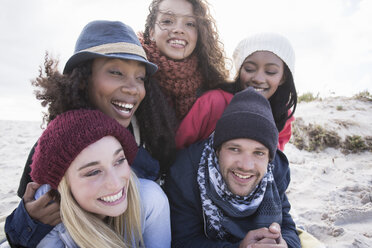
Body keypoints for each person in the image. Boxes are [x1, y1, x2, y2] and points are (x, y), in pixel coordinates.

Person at [5, 20, 175, 247]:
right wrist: (30, 220)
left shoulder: (150, 137)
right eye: (116, 72)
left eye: (140, 78)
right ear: (83, 79)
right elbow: (18, 234)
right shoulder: (53, 147)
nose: (133, 88)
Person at [165, 87, 301, 247]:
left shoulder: (275, 171)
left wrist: (283, 244)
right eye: (235, 149)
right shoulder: (186, 173)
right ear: (218, 150)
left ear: (269, 158)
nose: (245, 165)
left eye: (258, 153)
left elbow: (288, 228)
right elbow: (183, 241)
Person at [16, 109, 170, 247]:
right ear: (63, 185)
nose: (116, 183)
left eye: (119, 161)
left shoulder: (150, 199)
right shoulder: (47, 220)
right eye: (93, 172)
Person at [175, 32, 297, 151]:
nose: (258, 79)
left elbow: (274, 163)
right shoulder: (214, 102)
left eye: (270, 71)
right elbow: (179, 147)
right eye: (249, 69)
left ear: (283, 77)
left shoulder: (282, 114)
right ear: (239, 71)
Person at [140, 0, 230, 121]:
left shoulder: (212, 88)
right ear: (152, 32)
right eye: (167, 21)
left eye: (190, 24)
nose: (178, 29)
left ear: (200, 34)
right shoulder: (134, 73)